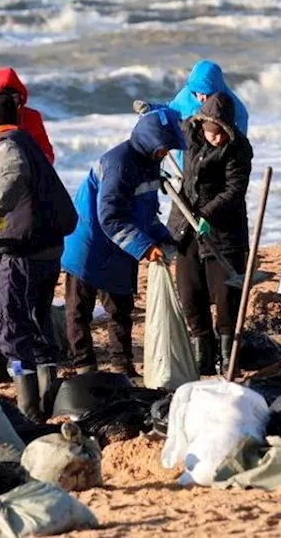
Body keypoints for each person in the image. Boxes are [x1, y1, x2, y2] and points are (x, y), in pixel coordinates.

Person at [0, 92, 78, 419]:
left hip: (23, 251)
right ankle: (47, 397)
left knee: (13, 326)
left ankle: (28, 403)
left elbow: (14, 174)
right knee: (38, 317)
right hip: (48, 247)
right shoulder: (28, 142)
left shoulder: (7, 146)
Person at [61, 108, 185, 375]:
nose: (165, 154)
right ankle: (84, 366)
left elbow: (146, 213)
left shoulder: (150, 165)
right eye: (163, 148)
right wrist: (145, 247)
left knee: (120, 308)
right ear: (149, 140)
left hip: (119, 245)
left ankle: (122, 365)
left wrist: (164, 239)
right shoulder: (118, 164)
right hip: (89, 242)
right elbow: (111, 217)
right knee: (79, 309)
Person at [168, 92, 252, 376]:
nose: (217, 139)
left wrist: (207, 214)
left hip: (223, 229)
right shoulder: (190, 132)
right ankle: (201, 358)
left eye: (221, 134)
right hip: (185, 224)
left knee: (226, 295)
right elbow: (164, 123)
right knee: (191, 292)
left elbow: (234, 190)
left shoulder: (238, 148)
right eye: (212, 133)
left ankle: (228, 359)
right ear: (203, 125)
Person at [0, 68, 55, 323]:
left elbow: (47, 155)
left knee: (19, 254)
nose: (10, 100)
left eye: (14, 95)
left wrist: (28, 171)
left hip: (26, 196)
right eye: (3, 94)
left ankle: (9, 309)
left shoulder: (32, 117)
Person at [135, 59, 250, 136]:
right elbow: (170, 109)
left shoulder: (236, 110)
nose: (202, 98)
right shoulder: (187, 95)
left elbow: (238, 148)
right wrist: (150, 108)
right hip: (186, 162)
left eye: (208, 94)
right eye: (198, 93)